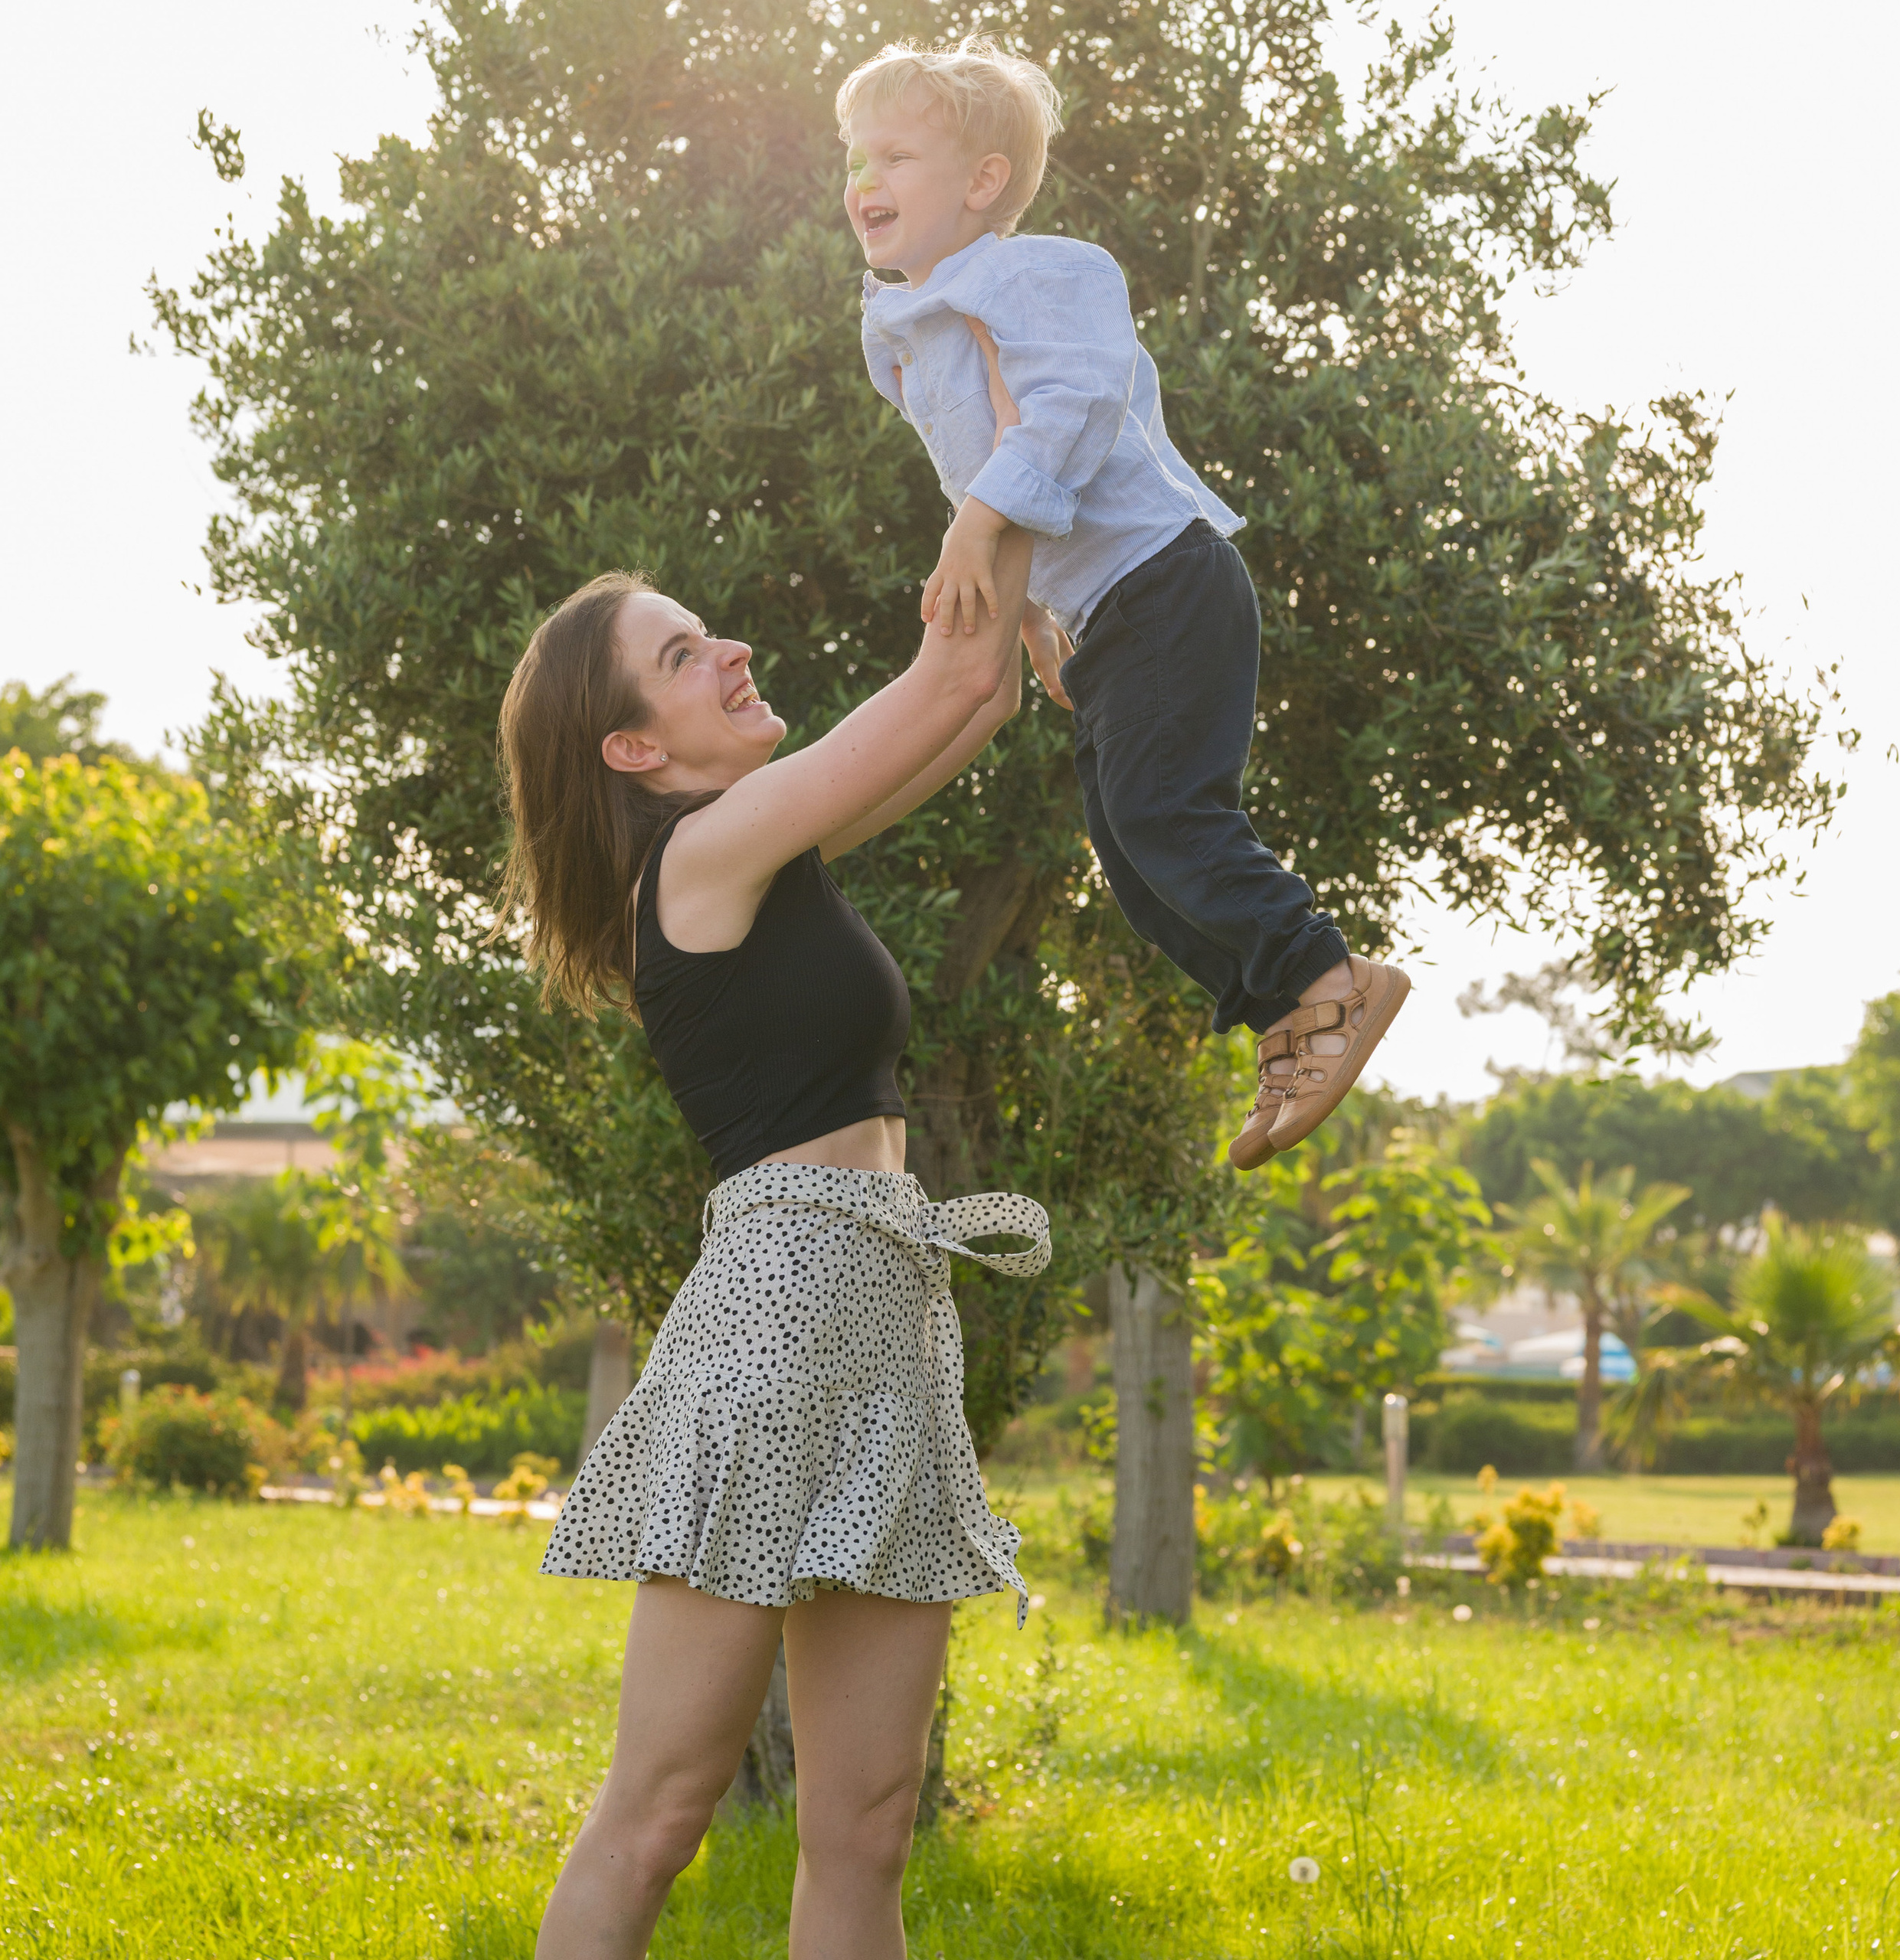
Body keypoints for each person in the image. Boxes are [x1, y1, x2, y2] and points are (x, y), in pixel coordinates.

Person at [495, 500, 1048, 1958]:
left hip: (880, 1311)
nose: (730, 650)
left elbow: (973, 697)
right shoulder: (697, 863)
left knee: (866, 1827)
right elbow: (939, 681)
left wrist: (1029, 540)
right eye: (686, 656)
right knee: (662, 1808)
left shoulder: (762, 848)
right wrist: (1005, 481)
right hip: (777, 1315)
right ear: (636, 750)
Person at [839, 36, 1411, 1173]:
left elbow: (1074, 401)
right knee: (1138, 869)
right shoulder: (900, 327)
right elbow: (978, 469)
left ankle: (1325, 975)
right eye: (855, 157)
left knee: (1164, 815)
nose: (864, 181)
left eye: (896, 155)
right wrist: (1029, 608)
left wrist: (976, 530)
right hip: (1102, 612)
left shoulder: (1047, 274)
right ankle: (1296, 1018)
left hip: (1167, 579)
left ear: (983, 182)